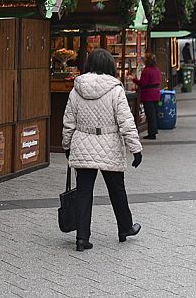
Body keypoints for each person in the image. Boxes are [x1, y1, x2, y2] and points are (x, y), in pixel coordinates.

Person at [62, 48, 143, 252]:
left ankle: (82, 238)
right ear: (109, 66)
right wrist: (136, 149)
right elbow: (126, 122)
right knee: (117, 190)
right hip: (110, 144)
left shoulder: (76, 90)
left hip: (82, 143)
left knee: (83, 193)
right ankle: (125, 228)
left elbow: (68, 122)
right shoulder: (116, 90)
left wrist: (67, 145)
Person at [131, 52, 162, 140]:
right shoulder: (157, 70)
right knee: (154, 114)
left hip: (148, 95)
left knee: (150, 114)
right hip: (156, 94)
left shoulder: (146, 71)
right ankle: (154, 131)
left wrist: (133, 79)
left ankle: (152, 133)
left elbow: (142, 83)